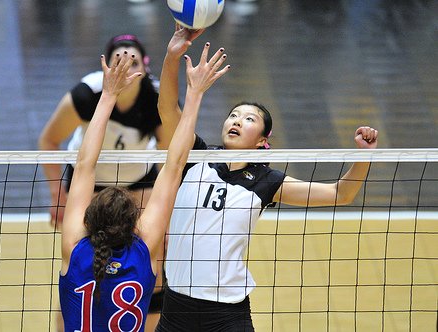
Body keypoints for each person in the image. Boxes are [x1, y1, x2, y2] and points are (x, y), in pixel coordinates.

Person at [155, 27, 379, 332]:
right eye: (234, 114)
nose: (237, 120)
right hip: (176, 308)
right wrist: (171, 57)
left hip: (226, 314)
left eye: (249, 119)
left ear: (262, 141)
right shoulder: (194, 156)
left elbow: (341, 194)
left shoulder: (266, 181)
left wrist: (363, 156)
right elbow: (168, 109)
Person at [58, 43, 230, 331]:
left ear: (88, 220)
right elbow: (174, 165)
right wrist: (195, 95)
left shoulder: (75, 249)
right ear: (135, 221)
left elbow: (85, 164)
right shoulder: (144, 250)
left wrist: (108, 94)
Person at [38, 34, 176, 330]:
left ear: (145, 66)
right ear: (106, 68)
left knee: (153, 258)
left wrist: (167, 214)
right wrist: (56, 194)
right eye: (118, 60)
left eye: (133, 60)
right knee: (78, 263)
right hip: (90, 186)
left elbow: (169, 156)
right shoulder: (87, 94)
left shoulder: (155, 99)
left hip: (138, 182)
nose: (126, 66)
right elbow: (49, 139)